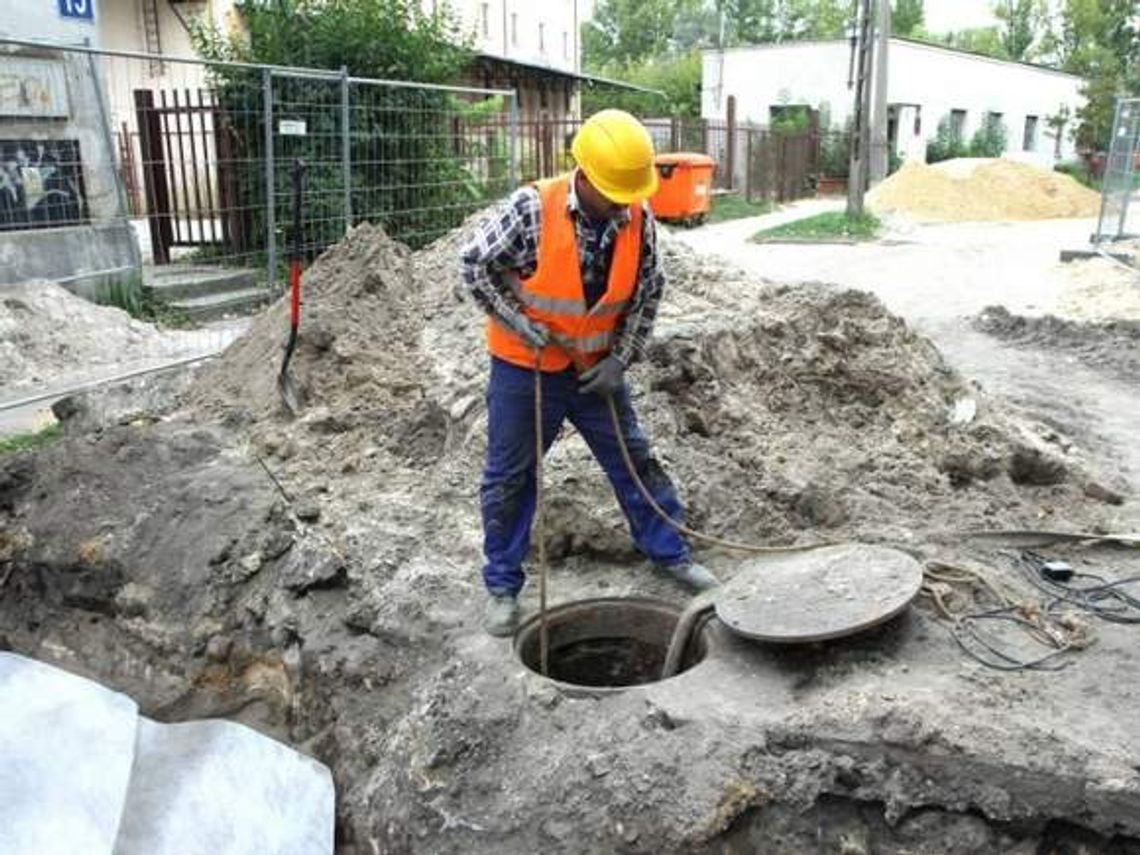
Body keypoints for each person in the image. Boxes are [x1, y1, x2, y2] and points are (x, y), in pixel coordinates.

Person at [459, 108, 718, 637]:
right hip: (526, 369)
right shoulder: (533, 209)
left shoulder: (638, 218)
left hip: (596, 371)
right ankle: (503, 586)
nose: (625, 202)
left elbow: (648, 293)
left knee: (634, 459)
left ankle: (669, 553)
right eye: (615, 192)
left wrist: (621, 360)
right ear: (587, 175)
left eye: (631, 193)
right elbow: (474, 265)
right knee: (510, 477)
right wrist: (517, 322)